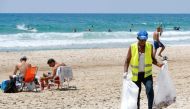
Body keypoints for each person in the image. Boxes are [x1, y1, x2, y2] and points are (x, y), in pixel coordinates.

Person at [124, 30, 163, 109]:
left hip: (147, 75)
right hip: (136, 76)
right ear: (138, 38)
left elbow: (152, 59)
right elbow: (127, 61)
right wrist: (125, 72)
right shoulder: (132, 47)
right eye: (141, 40)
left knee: (150, 91)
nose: (143, 41)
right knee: (136, 95)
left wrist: (159, 65)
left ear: (146, 39)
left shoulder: (150, 46)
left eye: (144, 40)